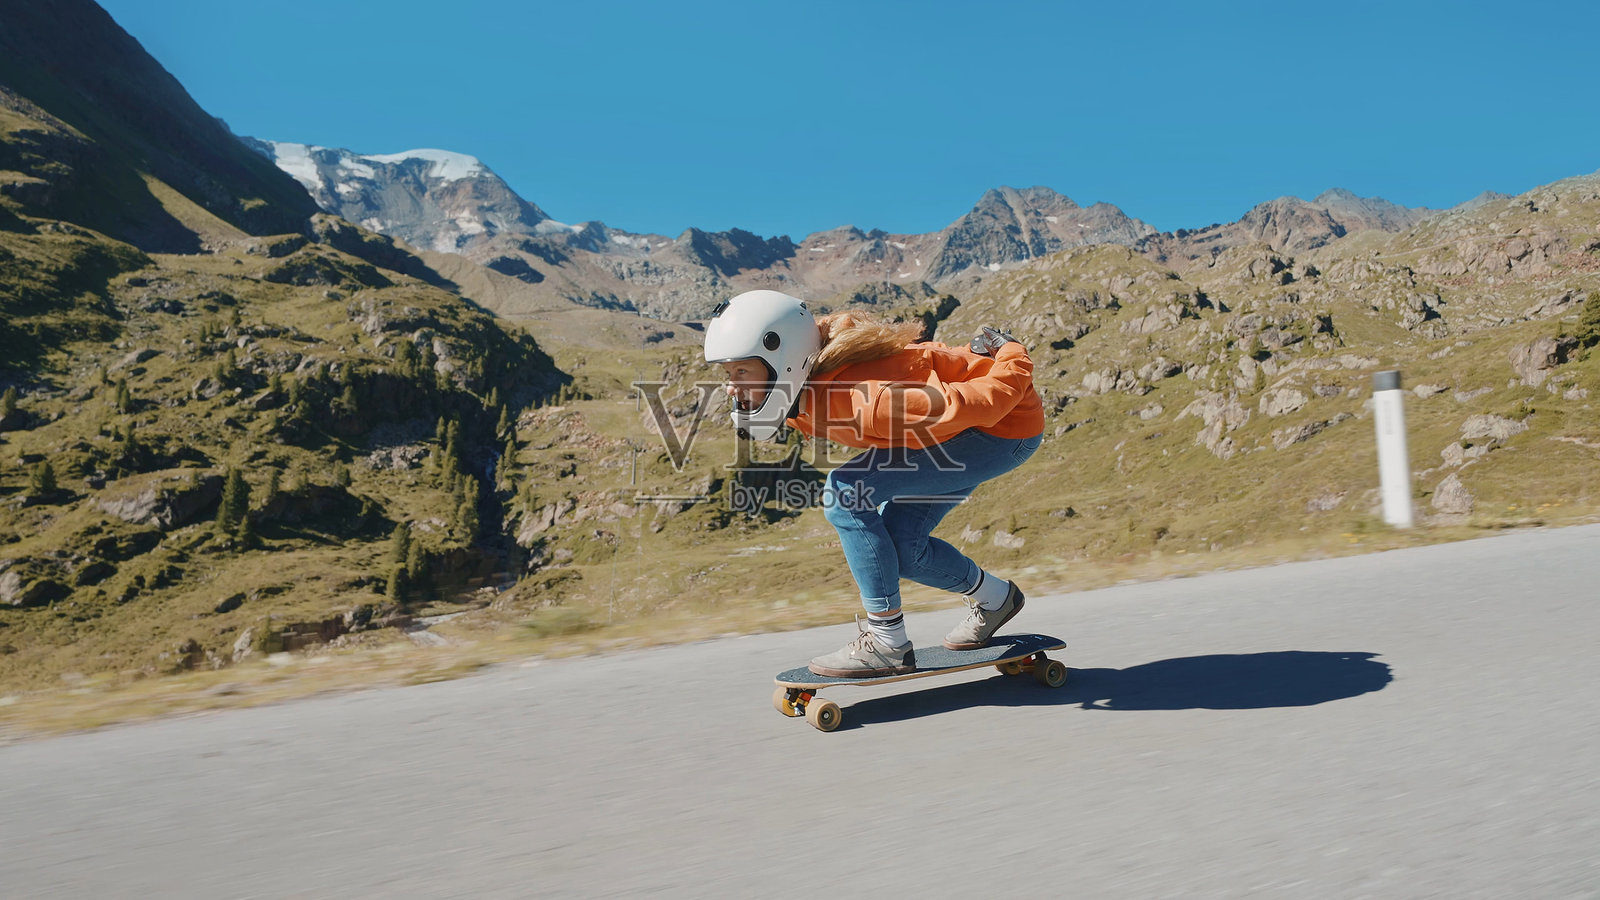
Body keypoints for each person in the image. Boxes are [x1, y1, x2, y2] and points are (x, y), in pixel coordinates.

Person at [703, 289, 1045, 677]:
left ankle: (887, 642)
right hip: (946, 433)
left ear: (782, 362)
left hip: (999, 431)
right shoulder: (800, 381)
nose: (731, 387)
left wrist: (1012, 355)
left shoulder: (868, 401)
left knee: (845, 494)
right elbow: (815, 330)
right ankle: (996, 598)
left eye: (741, 372)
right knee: (904, 548)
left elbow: (976, 403)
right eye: (728, 374)